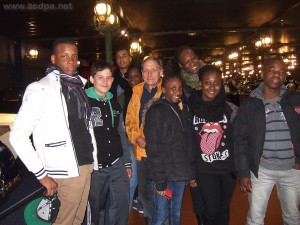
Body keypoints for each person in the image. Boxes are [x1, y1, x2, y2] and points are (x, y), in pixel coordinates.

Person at [9, 37, 97, 225]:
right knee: (64, 221)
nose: (71, 61)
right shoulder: (40, 89)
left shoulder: (78, 87)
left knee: (76, 219)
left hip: (84, 165)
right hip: (64, 170)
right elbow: (18, 135)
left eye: (74, 56)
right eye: (64, 56)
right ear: (53, 59)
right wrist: (41, 174)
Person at [234, 56, 300, 225]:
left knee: (292, 217)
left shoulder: (295, 99)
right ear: (263, 73)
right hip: (261, 170)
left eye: (281, 71)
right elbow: (240, 140)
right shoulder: (250, 104)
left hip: (292, 170)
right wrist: (243, 172)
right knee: (255, 218)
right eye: (271, 70)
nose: (276, 74)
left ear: (285, 76)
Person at [188, 65, 238, 225]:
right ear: (200, 85)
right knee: (211, 211)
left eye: (217, 83)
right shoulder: (189, 109)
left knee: (224, 208)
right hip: (204, 170)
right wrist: (191, 173)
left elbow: (237, 138)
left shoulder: (229, 108)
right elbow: (187, 143)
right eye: (208, 83)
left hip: (228, 169)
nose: (212, 87)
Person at [144, 73, 194, 225]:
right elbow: (153, 149)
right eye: (173, 88)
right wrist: (160, 182)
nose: (177, 92)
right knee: (160, 217)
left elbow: (185, 144)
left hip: (178, 174)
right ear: (163, 90)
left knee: (175, 214)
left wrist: (189, 173)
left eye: (179, 88)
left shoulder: (179, 109)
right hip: (165, 176)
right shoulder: (156, 111)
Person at [85, 60, 132, 225]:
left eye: (109, 78)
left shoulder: (115, 103)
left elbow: (121, 133)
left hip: (118, 164)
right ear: (91, 79)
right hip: (96, 168)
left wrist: (127, 163)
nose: (105, 81)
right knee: (96, 210)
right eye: (100, 77)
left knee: (120, 207)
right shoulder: (84, 103)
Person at [165, 45, 204, 225]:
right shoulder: (181, 86)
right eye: (187, 62)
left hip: (213, 137)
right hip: (194, 139)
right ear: (181, 66)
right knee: (198, 196)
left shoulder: (210, 76)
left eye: (194, 58)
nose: (192, 63)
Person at [126, 56, 163, 224]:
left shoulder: (169, 90)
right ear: (141, 73)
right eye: (145, 70)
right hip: (141, 151)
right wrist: (137, 138)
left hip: (163, 153)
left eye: (153, 69)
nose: (149, 74)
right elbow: (130, 121)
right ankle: (150, 220)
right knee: (145, 192)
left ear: (161, 72)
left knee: (162, 191)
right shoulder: (137, 92)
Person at [118, 63, 144, 213]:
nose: (133, 79)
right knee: (131, 181)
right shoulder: (123, 98)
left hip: (147, 144)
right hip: (130, 144)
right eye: (130, 77)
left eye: (136, 76)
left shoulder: (148, 94)